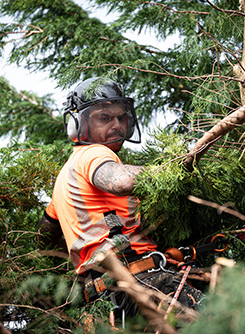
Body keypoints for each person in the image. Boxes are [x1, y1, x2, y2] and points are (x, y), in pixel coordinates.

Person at [38, 77, 203, 323]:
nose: (116, 125)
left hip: (107, 299)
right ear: (78, 124)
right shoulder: (93, 153)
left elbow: (45, 236)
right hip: (142, 282)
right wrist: (174, 168)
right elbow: (121, 181)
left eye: (120, 118)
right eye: (104, 118)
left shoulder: (65, 177)